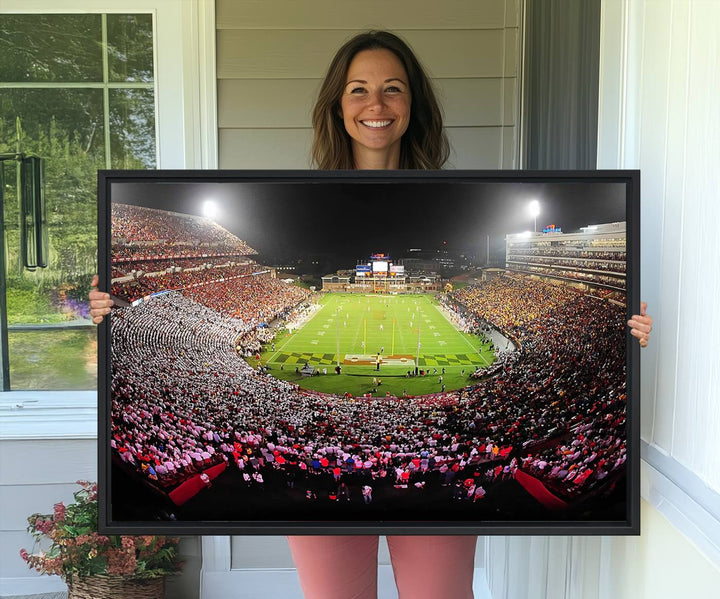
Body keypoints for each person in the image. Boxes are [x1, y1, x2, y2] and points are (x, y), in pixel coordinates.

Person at [89, 29, 653, 599]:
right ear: (337, 104)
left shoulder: (455, 189)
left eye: (393, 89)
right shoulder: (297, 188)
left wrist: (624, 331)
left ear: (414, 105)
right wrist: (111, 312)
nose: (375, 105)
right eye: (358, 89)